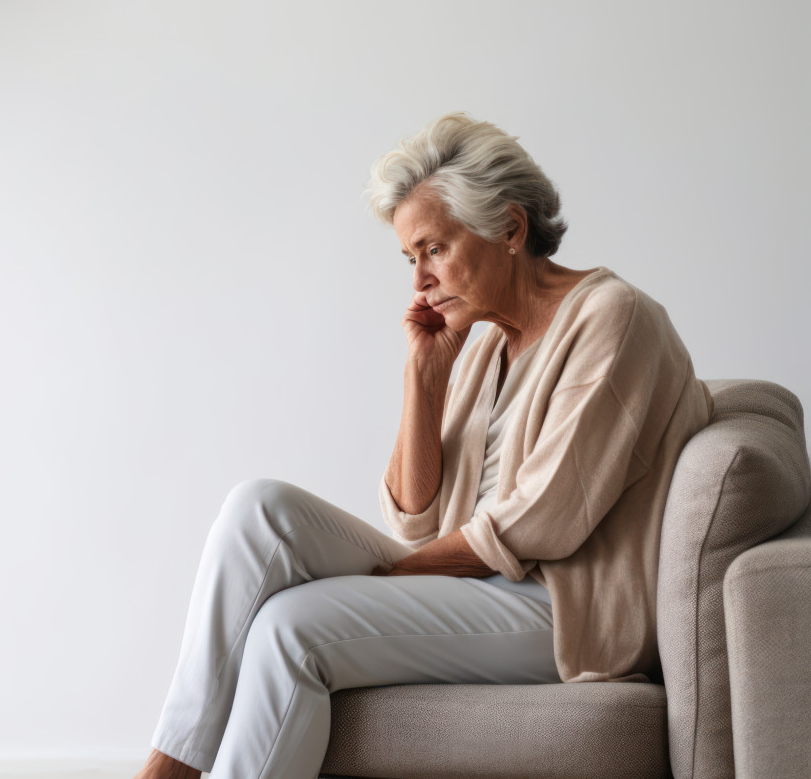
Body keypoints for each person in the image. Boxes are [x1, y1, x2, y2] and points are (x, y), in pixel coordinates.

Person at [133, 113, 713, 779]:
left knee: (289, 624)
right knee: (257, 508)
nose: (419, 282)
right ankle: (171, 762)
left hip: (559, 608)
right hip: (486, 581)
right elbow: (416, 517)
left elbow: (538, 522)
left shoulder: (613, 317)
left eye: (434, 249)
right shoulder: (490, 340)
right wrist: (425, 378)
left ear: (510, 228)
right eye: (411, 259)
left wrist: (373, 581)